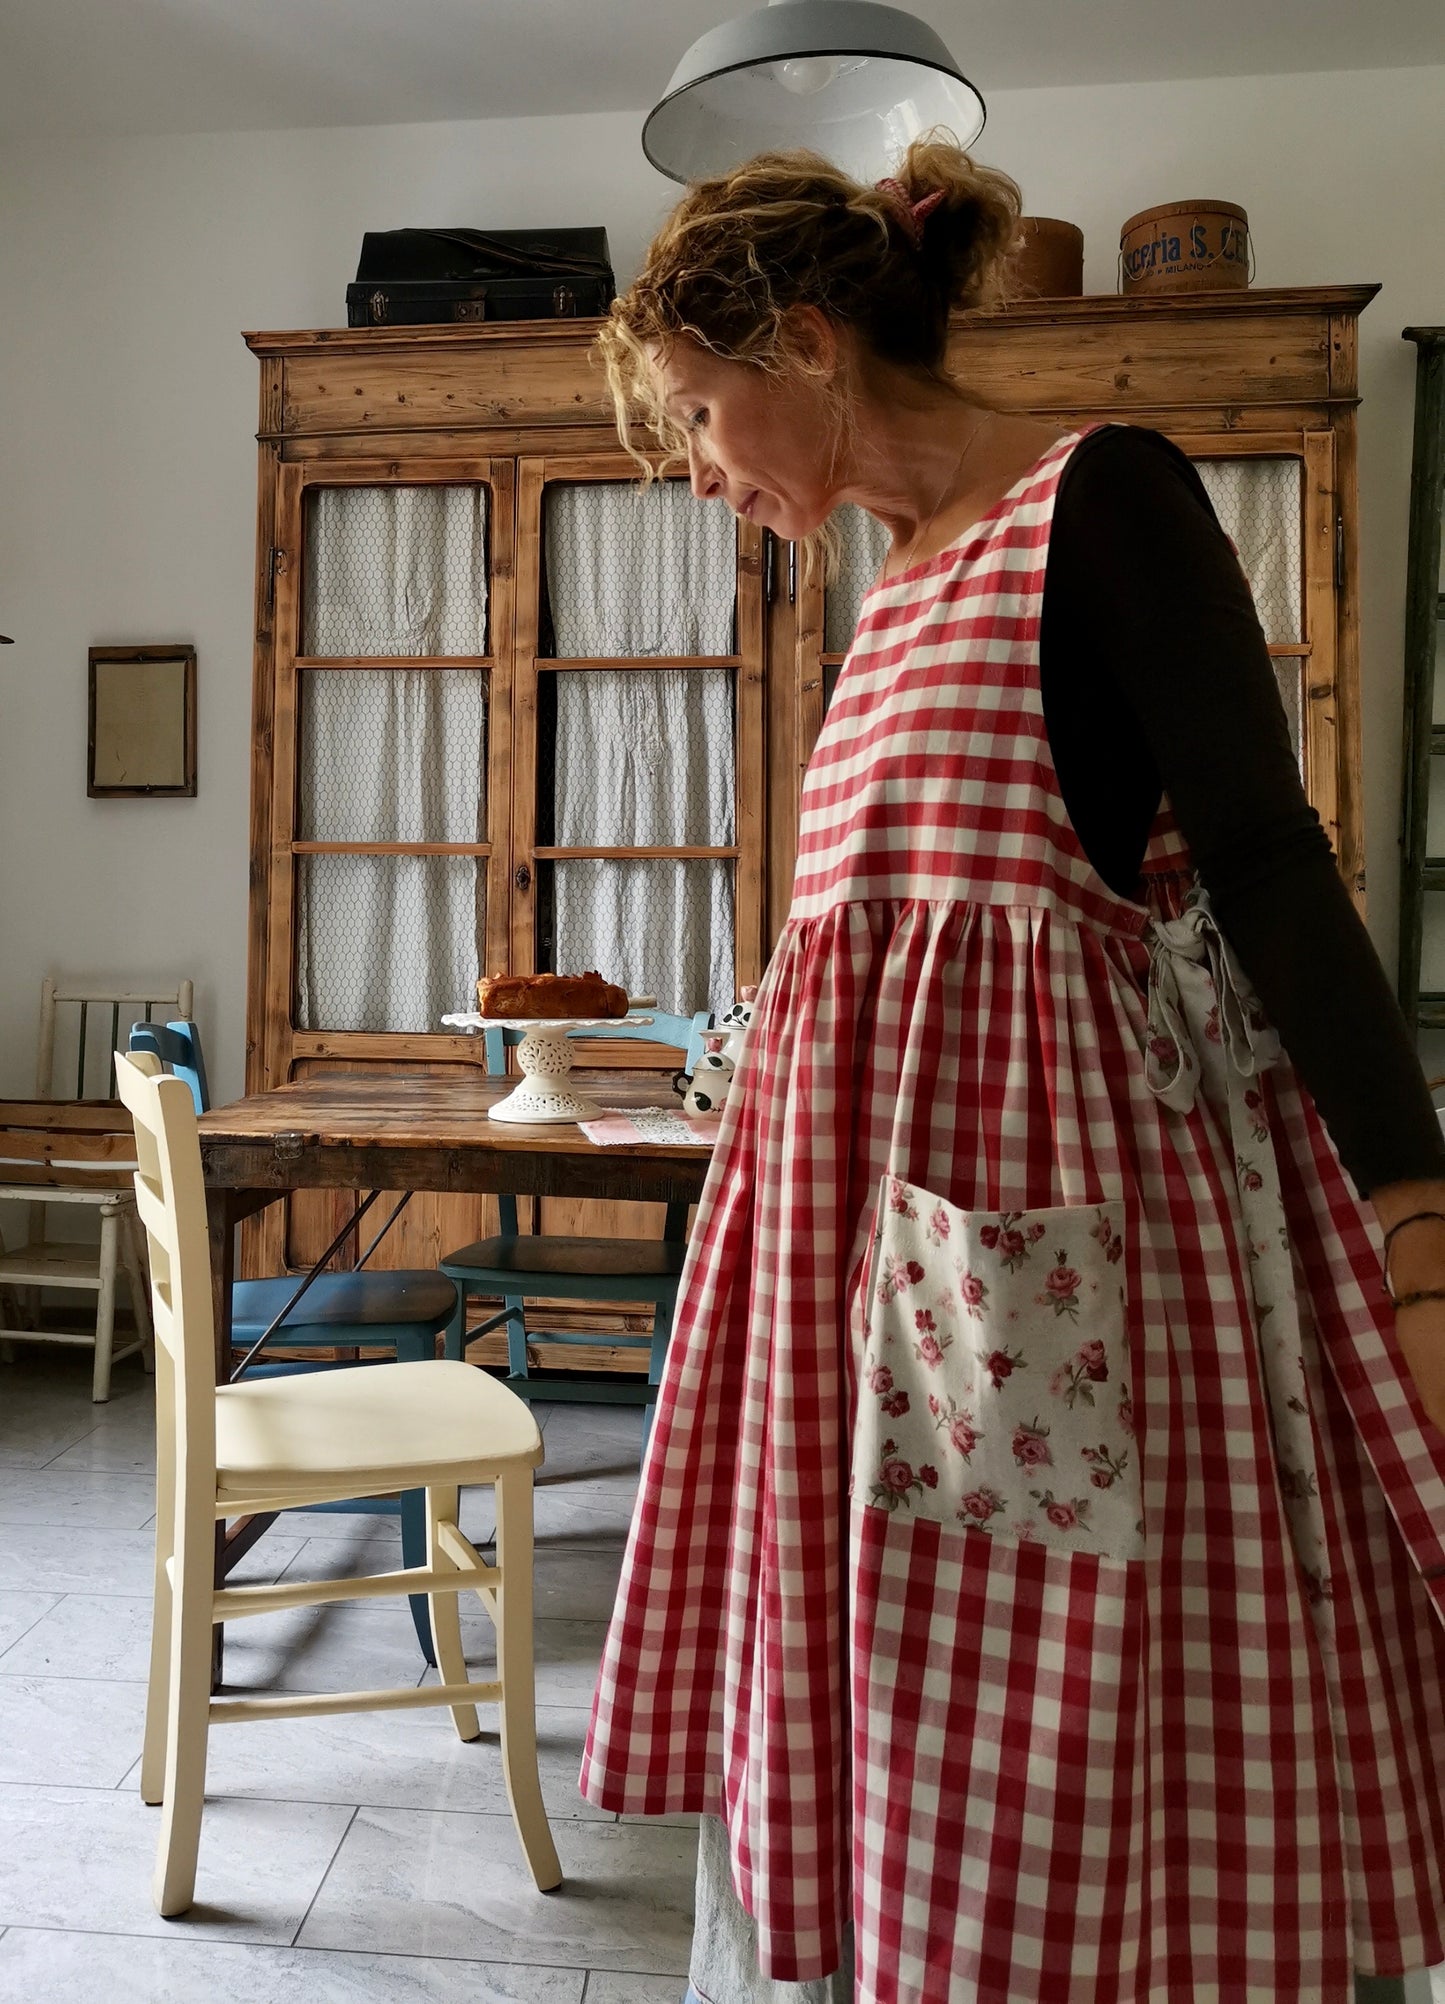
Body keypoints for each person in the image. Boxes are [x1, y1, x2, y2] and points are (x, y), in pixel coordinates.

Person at [578, 136, 1445, 2004]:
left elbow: (1273, 865)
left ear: (804, 345)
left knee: (1063, 1748)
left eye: (706, 416)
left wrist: (1419, 1220)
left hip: (1053, 1281)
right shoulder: (879, 588)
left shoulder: (1096, 504)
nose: (710, 472)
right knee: (896, 1743)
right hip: (855, 1287)